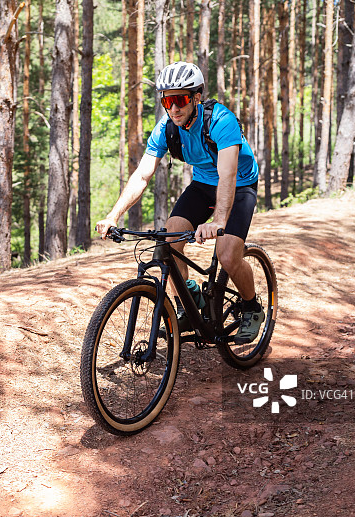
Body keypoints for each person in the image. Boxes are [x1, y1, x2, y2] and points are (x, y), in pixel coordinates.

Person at [94, 61, 264, 343]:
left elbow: (228, 174)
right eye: (167, 101)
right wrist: (114, 215)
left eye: (181, 99)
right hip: (203, 185)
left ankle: (251, 307)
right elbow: (142, 175)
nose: (174, 108)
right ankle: (188, 302)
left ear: (196, 97)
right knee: (169, 236)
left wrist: (218, 221)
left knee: (228, 254)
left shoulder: (222, 121)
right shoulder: (166, 129)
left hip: (239, 184)